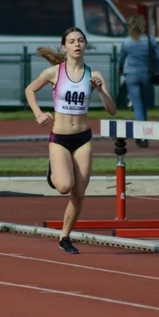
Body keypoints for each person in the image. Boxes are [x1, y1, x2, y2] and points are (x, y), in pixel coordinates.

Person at [25, 27, 116, 255]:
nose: (77, 44)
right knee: (64, 186)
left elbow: (112, 110)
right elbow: (30, 90)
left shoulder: (93, 75)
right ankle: (54, 171)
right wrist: (38, 113)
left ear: (85, 46)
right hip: (60, 138)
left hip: (83, 138)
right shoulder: (54, 72)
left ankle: (65, 237)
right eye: (72, 41)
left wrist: (100, 91)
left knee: (79, 193)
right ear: (64, 47)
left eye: (81, 41)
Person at [117, 14, 159, 147]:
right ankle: (144, 135)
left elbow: (121, 59)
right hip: (146, 75)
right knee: (143, 105)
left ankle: (140, 135)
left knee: (137, 105)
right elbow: (158, 58)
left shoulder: (126, 42)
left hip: (130, 74)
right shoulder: (150, 40)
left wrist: (120, 70)